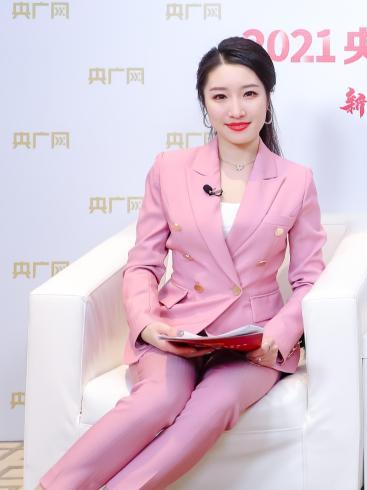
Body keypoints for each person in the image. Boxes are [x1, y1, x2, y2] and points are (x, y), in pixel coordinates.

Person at [40, 37, 327, 489]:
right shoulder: (169, 169)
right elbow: (143, 262)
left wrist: (282, 331)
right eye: (220, 96)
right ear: (205, 105)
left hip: (253, 341)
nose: (237, 109)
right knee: (160, 399)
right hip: (177, 329)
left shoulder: (296, 180)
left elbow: (310, 277)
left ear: (268, 98)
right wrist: (147, 323)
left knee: (213, 407)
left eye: (250, 93)